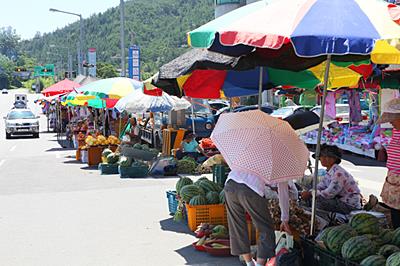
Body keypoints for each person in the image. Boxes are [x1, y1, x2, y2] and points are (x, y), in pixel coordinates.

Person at [224, 171, 291, 266]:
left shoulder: (252, 155)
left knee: (237, 226)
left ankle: (249, 263)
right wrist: (285, 219)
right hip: (251, 189)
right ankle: (259, 264)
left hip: (230, 184)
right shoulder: (279, 163)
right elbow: (283, 192)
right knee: (266, 229)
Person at [301, 144, 361, 214]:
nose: (323, 158)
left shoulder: (339, 173)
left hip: (349, 206)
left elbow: (329, 194)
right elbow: (321, 185)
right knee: (311, 196)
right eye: (321, 156)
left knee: (318, 201)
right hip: (339, 200)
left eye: (327, 156)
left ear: (334, 159)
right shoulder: (330, 171)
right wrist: (310, 191)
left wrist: (311, 193)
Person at [372, 98, 400, 228]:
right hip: (393, 184)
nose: (390, 122)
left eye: (392, 119)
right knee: (395, 217)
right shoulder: (396, 131)